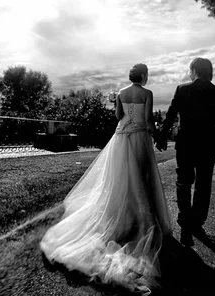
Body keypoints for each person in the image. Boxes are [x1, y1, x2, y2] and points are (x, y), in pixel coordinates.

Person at [40, 63, 172, 295]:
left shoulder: (121, 93)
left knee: (118, 179)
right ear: (143, 76)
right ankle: (137, 219)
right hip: (140, 137)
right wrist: (155, 134)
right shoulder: (147, 93)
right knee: (141, 178)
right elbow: (149, 120)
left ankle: (120, 215)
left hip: (121, 138)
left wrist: (119, 107)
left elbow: (118, 116)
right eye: (147, 74)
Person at [155, 57, 215, 247]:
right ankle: (196, 222)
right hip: (208, 146)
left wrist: (162, 137)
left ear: (194, 70)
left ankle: (185, 221)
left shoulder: (183, 89)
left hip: (186, 144)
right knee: (203, 186)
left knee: (183, 182)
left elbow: (171, 115)